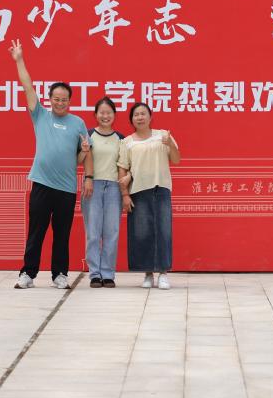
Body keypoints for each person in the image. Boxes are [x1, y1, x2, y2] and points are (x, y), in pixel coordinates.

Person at [10, 38, 90, 290]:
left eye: (64, 99)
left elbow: (78, 160)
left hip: (66, 188)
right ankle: (28, 273)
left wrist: (84, 152)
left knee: (62, 234)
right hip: (42, 184)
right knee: (36, 231)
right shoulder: (41, 115)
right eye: (56, 99)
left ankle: (60, 275)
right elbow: (27, 86)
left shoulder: (78, 123)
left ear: (70, 100)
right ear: (50, 99)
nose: (60, 102)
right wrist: (19, 60)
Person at [118, 103, 180, 289]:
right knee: (142, 233)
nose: (140, 117)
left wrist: (170, 144)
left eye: (143, 114)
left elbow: (176, 159)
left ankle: (163, 273)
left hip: (161, 188)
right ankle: (147, 274)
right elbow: (122, 168)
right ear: (131, 119)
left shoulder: (163, 135)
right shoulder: (127, 142)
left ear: (150, 117)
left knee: (163, 230)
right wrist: (125, 195)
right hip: (138, 190)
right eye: (136, 114)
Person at [83, 97, 126, 288]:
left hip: (114, 188)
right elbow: (81, 159)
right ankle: (94, 274)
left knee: (111, 232)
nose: (105, 116)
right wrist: (88, 178)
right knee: (93, 232)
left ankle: (108, 273)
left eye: (109, 112)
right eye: (101, 112)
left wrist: (124, 189)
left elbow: (125, 165)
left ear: (114, 115)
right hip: (92, 185)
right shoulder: (89, 135)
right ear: (96, 114)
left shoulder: (121, 138)